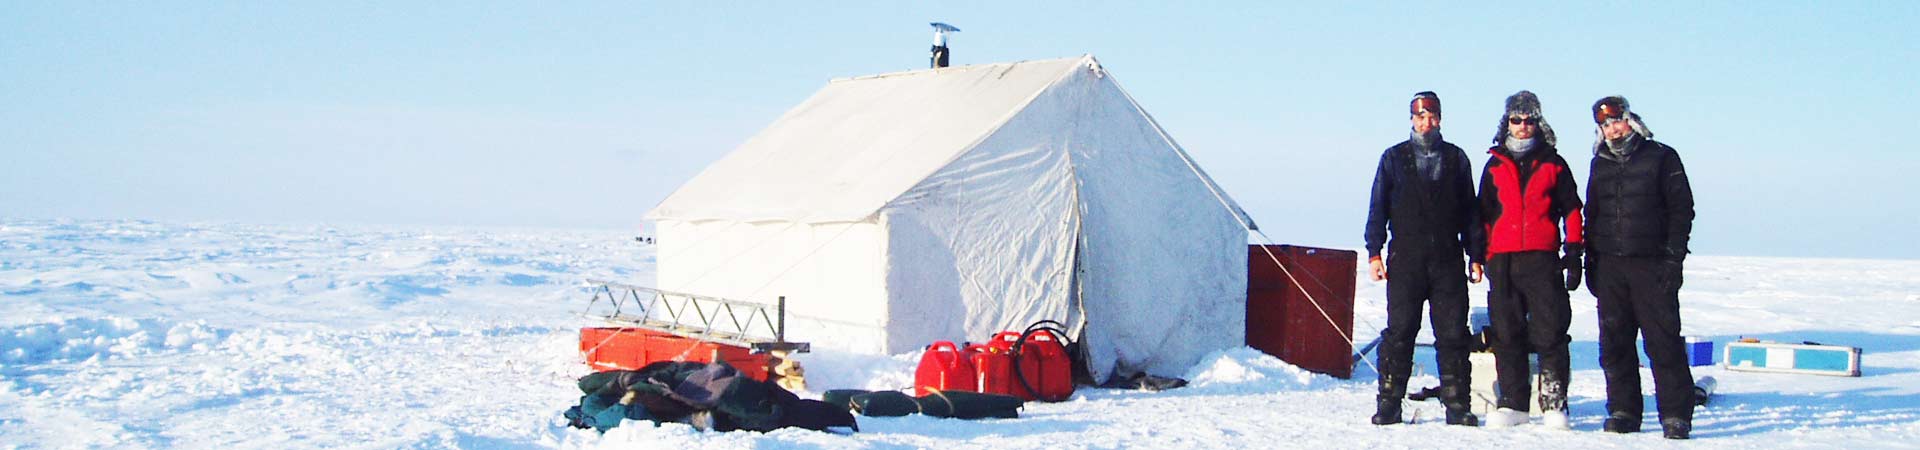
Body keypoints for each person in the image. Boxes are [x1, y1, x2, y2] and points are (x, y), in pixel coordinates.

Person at [1364, 91, 1484, 426]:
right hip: (1405, 260)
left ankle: (1457, 404)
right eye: (1419, 117)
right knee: (1400, 332)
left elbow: (1470, 212)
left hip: (1447, 260)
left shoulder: (1457, 159)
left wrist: (1476, 254)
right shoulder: (1393, 158)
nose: (1425, 122)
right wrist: (1374, 250)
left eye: (1431, 117)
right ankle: (1389, 403)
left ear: (1440, 119)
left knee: (1452, 334)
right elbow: (1378, 207)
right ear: (1412, 120)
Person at [1585, 96, 1697, 439]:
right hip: (1611, 266)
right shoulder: (1600, 163)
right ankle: (1623, 410)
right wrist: (1591, 261)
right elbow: (1593, 213)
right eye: (1605, 125)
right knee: (1615, 343)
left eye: (1616, 121)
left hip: (1651, 265)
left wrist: (1672, 258)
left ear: (1630, 120)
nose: (1612, 130)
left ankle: (1675, 414)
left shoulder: (1661, 156)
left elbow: (1682, 210)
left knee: (1663, 342)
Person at [1474, 91, 1583, 430]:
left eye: (1529, 120)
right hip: (1503, 261)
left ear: (1539, 123)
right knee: (1507, 334)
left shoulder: (1554, 163)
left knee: (1550, 331)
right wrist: (1481, 257)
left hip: (1542, 259)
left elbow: (1572, 210)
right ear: (1506, 122)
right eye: (1516, 120)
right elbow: (1482, 216)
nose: (1522, 127)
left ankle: (1554, 404)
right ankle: (1513, 402)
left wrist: (1574, 251)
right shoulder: (1494, 164)